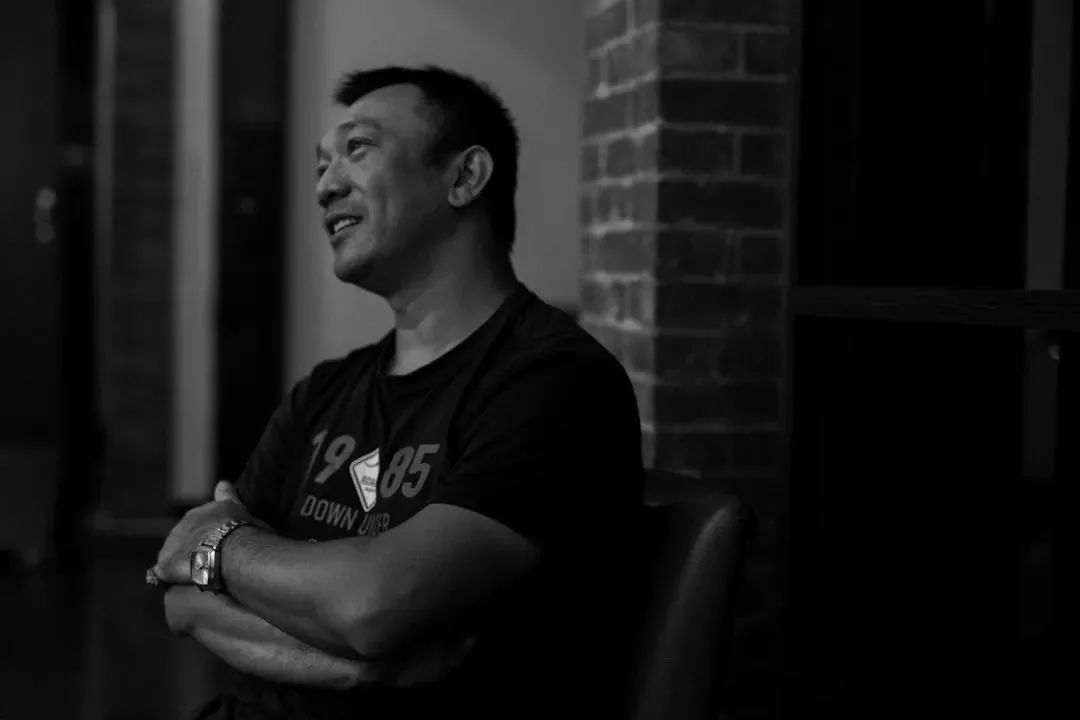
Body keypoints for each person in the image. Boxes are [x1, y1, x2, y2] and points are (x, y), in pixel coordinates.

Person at [151, 64, 644, 719]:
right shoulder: (325, 391)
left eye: (357, 148)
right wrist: (364, 666)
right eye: (321, 165)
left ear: (465, 177)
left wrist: (219, 545)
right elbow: (182, 601)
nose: (326, 186)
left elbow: (374, 606)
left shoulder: (553, 383)